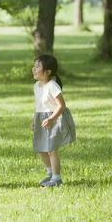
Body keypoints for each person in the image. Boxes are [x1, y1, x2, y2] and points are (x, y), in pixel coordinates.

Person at [31, 55, 76, 187]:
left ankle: (57, 178)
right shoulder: (36, 86)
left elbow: (61, 105)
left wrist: (51, 119)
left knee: (51, 149)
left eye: (37, 67)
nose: (33, 69)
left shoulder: (52, 86)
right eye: (34, 66)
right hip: (41, 119)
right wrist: (34, 120)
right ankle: (50, 173)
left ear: (48, 72)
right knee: (41, 148)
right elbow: (38, 106)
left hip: (53, 119)